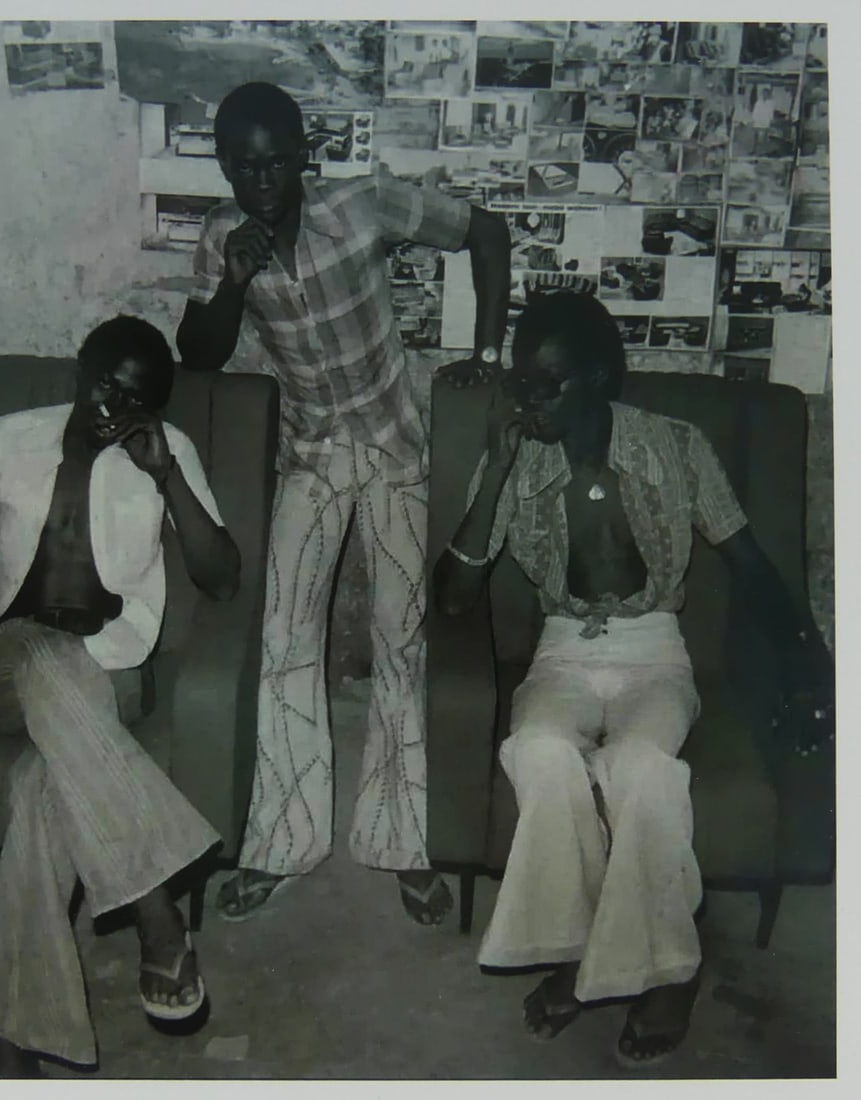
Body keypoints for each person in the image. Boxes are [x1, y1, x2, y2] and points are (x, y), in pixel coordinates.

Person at [434, 291, 833, 1067]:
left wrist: (812, 666)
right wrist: (496, 469)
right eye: (522, 381)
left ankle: (659, 974)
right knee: (539, 747)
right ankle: (580, 951)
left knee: (642, 768)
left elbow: (752, 570)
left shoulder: (674, 448)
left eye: (548, 383)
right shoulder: (513, 453)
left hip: (655, 651)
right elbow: (452, 599)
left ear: (596, 378)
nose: (530, 400)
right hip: (562, 650)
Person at [0, 316, 240, 1077]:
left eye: (131, 399)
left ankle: (17, 1030)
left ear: (152, 407)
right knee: (39, 650)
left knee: (42, 788)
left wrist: (166, 477)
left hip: (114, 672)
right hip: (11, 659)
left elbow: (222, 576)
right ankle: (157, 911)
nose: (109, 407)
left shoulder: (166, 453)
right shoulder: (7, 437)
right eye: (102, 385)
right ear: (79, 369)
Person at [176, 81, 511, 926]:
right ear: (224, 167)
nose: (259, 180)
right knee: (285, 636)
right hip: (313, 454)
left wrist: (487, 351)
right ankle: (280, 845)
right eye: (241, 166)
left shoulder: (361, 205)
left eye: (274, 162)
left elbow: (486, 232)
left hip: (394, 444)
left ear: (301, 157)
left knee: (402, 641)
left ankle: (401, 844)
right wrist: (230, 283)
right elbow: (200, 355)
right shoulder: (221, 236)